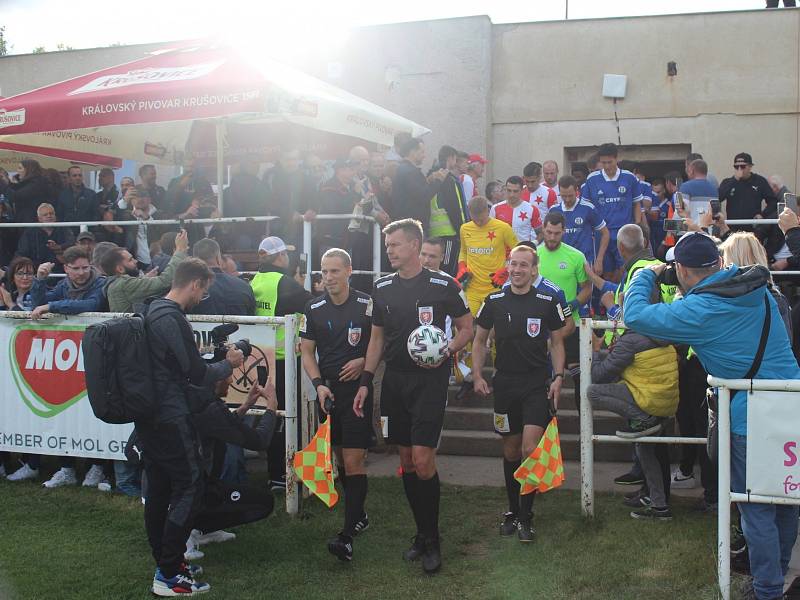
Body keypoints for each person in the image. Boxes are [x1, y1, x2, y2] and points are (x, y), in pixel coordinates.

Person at [623, 231, 800, 600]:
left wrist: (647, 274)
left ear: (682, 270)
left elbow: (635, 315)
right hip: (790, 403)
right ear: (719, 264)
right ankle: (775, 577)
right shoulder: (758, 290)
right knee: (785, 502)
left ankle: (768, 591)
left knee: (756, 508)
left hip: (750, 415)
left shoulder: (698, 311)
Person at [353, 218, 473, 574]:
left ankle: (433, 540)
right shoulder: (382, 287)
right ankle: (421, 535)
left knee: (422, 460)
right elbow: (375, 339)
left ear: (414, 247)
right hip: (395, 382)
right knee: (405, 460)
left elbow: (468, 326)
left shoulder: (443, 285)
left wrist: (447, 348)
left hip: (429, 382)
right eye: (387, 244)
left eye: (395, 244)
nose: (389, 250)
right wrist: (365, 380)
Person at [138, 258, 245, 596]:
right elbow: (196, 373)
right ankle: (169, 572)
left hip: (150, 416)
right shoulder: (171, 317)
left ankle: (167, 565)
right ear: (196, 283)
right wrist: (226, 364)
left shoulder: (150, 310)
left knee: (158, 490)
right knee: (190, 487)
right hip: (170, 416)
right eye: (205, 290)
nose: (203, 297)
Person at [472, 245, 567, 542]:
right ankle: (513, 510)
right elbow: (478, 341)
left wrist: (559, 377)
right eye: (513, 264)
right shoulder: (494, 300)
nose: (517, 270)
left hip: (536, 384)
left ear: (534, 269)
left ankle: (527, 516)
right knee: (510, 451)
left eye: (524, 265)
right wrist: (477, 374)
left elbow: (558, 342)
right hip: (505, 385)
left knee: (529, 448)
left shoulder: (547, 301)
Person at [300, 248, 374, 561]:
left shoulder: (366, 305)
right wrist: (318, 386)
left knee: (354, 460)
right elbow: (306, 352)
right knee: (341, 460)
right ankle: (359, 514)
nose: (328, 278)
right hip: (329, 394)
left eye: (334, 271)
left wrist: (362, 362)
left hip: (357, 393)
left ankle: (347, 536)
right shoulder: (313, 307)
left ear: (349, 271)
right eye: (324, 272)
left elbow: (379, 343)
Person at [587, 302, 679, 521]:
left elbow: (600, 375)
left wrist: (592, 352)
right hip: (666, 403)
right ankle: (659, 507)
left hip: (648, 403)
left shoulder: (630, 340)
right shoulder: (661, 332)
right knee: (646, 451)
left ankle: (642, 419)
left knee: (593, 392)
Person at [28, 246, 111, 488]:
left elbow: (92, 304)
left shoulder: (100, 283)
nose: (82, 272)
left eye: (86, 267)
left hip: (97, 354)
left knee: (95, 411)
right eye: (76, 268)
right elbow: (39, 302)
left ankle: (98, 467)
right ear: (66, 268)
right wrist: (40, 280)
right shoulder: (64, 285)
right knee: (67, 413)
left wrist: (51, 307)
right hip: (69, 356)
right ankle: (67, 468)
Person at [250, 236, 312, 490]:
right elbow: (312, 306)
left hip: (260, 359)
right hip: (286, 360)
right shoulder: (286, 283)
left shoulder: (254, 280)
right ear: (280, 256)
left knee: (271, 415)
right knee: (290, 419)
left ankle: (274, 473)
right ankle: (286, 474)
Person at [536, 211, 591, 404]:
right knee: (543, 379)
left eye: (556, 233)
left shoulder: (576, 256)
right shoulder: (534, 256)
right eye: (549, 232)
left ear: (564, 231)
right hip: (540, 327)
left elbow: (587, 289)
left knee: (579, 377)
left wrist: (572, 304)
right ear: (543, 229)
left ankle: (583, 429)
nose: (552, 237)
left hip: (570, 325)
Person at [580, 143, 642, 281]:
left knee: (625, 271)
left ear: (616, 159)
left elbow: (637, 204)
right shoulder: (592, 179)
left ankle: (622, 300)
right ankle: (610, 300)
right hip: (602, 234)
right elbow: (585, 208)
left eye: (610, 162)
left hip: (624, 233)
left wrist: (637, 225)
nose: (607, 166)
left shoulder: (629, 178)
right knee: (605, 272)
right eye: (603, 163)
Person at [458, 195, 518, 316]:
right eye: (475, 219)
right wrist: (462, 266)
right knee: (470, 327)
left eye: (481, 219)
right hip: (472, 289)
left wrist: (506, 270)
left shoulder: (503, 228)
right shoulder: (464, 229)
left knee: (493, 330)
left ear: (487, 211)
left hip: (494, 289)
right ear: (469, 213)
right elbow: (463, 251)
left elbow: (519, 252)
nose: (479, 222)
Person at [101, 230, 189, 314]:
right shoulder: (123, 284)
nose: (135, 261)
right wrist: (180, 251)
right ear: (120, 269)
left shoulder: (116, 284)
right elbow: (164, 282)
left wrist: (143, 280)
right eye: (130, 260)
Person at [548, 175, 609, 273]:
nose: (567, 199)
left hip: (584, 261)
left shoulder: (588, 208)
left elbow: (605, 233)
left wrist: (599, 259)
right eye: (563, 196)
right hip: (561, 260)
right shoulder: (554, 210)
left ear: (577, 191)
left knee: (585, 288)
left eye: (570, 196)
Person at [392, 137, 446, 235]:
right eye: (422, 152)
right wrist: (438, 181)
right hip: (412, 228)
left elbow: (415, 191)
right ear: (413, 152)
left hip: (410, 225)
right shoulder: (409, 171)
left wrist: (429, 180)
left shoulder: (405, 169)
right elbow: (423, 195)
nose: (424, 156)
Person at [427, 145, 467, 276]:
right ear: (450, 158)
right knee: (447, 272)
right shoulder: (450, 179)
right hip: (449, 232)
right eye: (455, 159)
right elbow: (457, 208)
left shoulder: (429, 177)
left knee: (432, 270)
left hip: (432, 232)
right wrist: (463, 229)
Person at [190, 238, 255, 317]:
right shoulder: (244, 286)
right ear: (218, 258)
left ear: (194, 260)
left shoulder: (188, 289)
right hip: (239, 329)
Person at [718, 152, 777, 233]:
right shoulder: (728, 182)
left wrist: (763, 215)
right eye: (736, 166)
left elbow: (773, 202)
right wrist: (735, 180)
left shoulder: (759, 181)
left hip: (753, 227)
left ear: (750, 166)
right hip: (733, 228)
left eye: (742, 166)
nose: (739, 169)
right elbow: (719, 197)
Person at [16, 203, 75, 270]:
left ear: (55, 216)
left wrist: (59, 247)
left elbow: (72, 243)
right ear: (39, 219)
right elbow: (22, 253)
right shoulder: (30, 232)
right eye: (45, 214)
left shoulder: (64, 228)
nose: (49, 216)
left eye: (51, 213)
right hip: (36, 272)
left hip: (61, 272)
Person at [125, 189, 170, 272]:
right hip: (138, 263)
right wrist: (124, 200)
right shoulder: (128, 216)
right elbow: (117, 214)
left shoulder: (160, 215)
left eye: (143, 196)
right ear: (131, 201)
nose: (140, 199)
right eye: (136, 196)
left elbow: (161, 233)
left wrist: (147, 218)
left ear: (149, 199)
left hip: (160, 261)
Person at [490, 175, 540, 244]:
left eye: (515, 191)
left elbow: (541, 233)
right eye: (509, 190)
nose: (511, 195)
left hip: (522, 252)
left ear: (522, 191)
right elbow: (489, 231)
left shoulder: (531, 209)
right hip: (501, 252)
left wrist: (533, 244)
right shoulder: (495, 208)